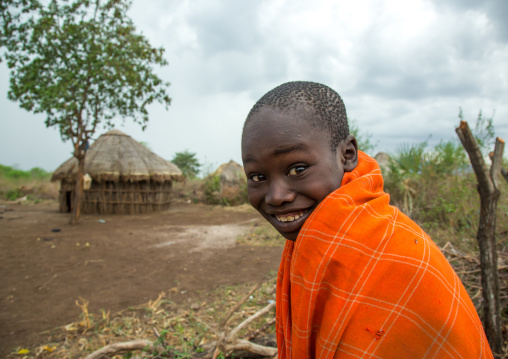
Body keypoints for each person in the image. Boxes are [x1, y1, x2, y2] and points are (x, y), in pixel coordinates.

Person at [241, 81, 493, 358]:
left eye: (297, 168)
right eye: (257, 177)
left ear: (347, 155)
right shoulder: (315, 241)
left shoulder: (398, 256)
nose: (276, 196)